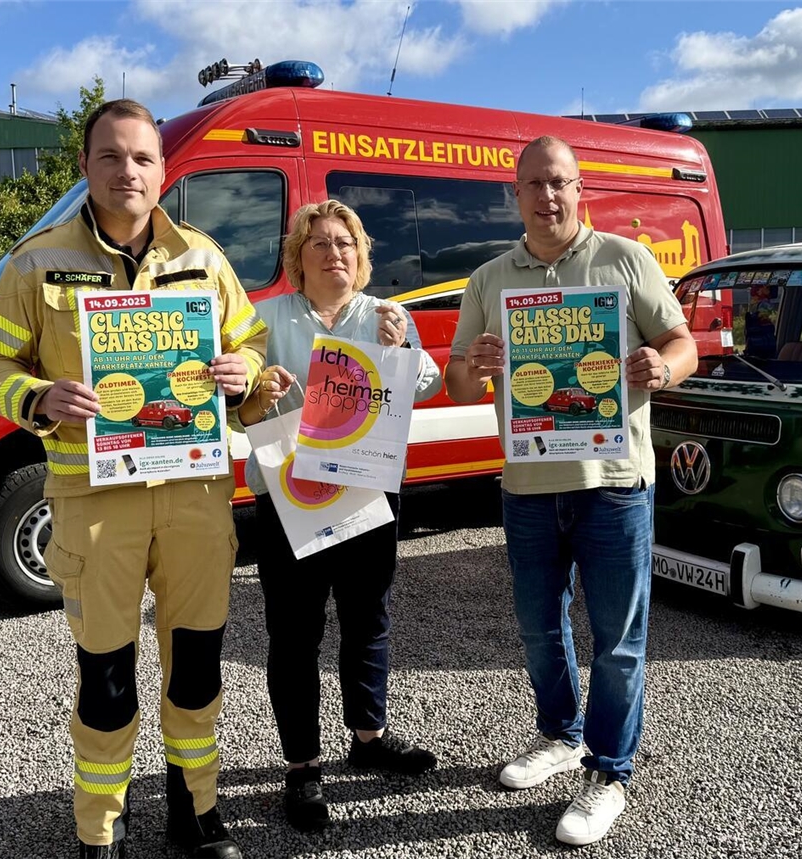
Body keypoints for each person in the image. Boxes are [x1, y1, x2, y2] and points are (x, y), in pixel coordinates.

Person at [0, 99, 269, 859]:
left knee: (196, 666)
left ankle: (195, 810)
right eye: (111, 156)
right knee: (105, 674)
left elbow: (253, 351)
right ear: (86, 166)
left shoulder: (205, 258)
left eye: (142, 158)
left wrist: (245, 373)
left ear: (164, 171)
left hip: (196, 494)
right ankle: (100, 824)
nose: (127, 170)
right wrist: (36, 396)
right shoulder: (36, 262)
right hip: (94, 502)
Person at [445, 136, 698, 846]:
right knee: (537, 628)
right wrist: (479, 362)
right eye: (534, 184)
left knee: (617, 639)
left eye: (559, 183)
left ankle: (609, 772)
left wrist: (662, 365)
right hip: (527, 485)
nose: (547, 196)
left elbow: (685, 343)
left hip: (614, 484)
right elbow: (462, 382)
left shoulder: (624, 258)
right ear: (515, 193)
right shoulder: (491, 277)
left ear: (579, 188)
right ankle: (561, 735)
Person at [242, 200, 441, 832]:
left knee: (367, 620)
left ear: (362, 255)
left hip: (369, 494)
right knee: (295, 634)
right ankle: (301, 767)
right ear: (296, 257)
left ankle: (369, 736)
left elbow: (429, 385)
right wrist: (257, 388)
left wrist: (403, 346)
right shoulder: (263, 318)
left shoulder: (387, 315)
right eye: (320, 243)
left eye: (346, 243)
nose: (335, 253)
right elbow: (234, 399)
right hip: (290, 499)